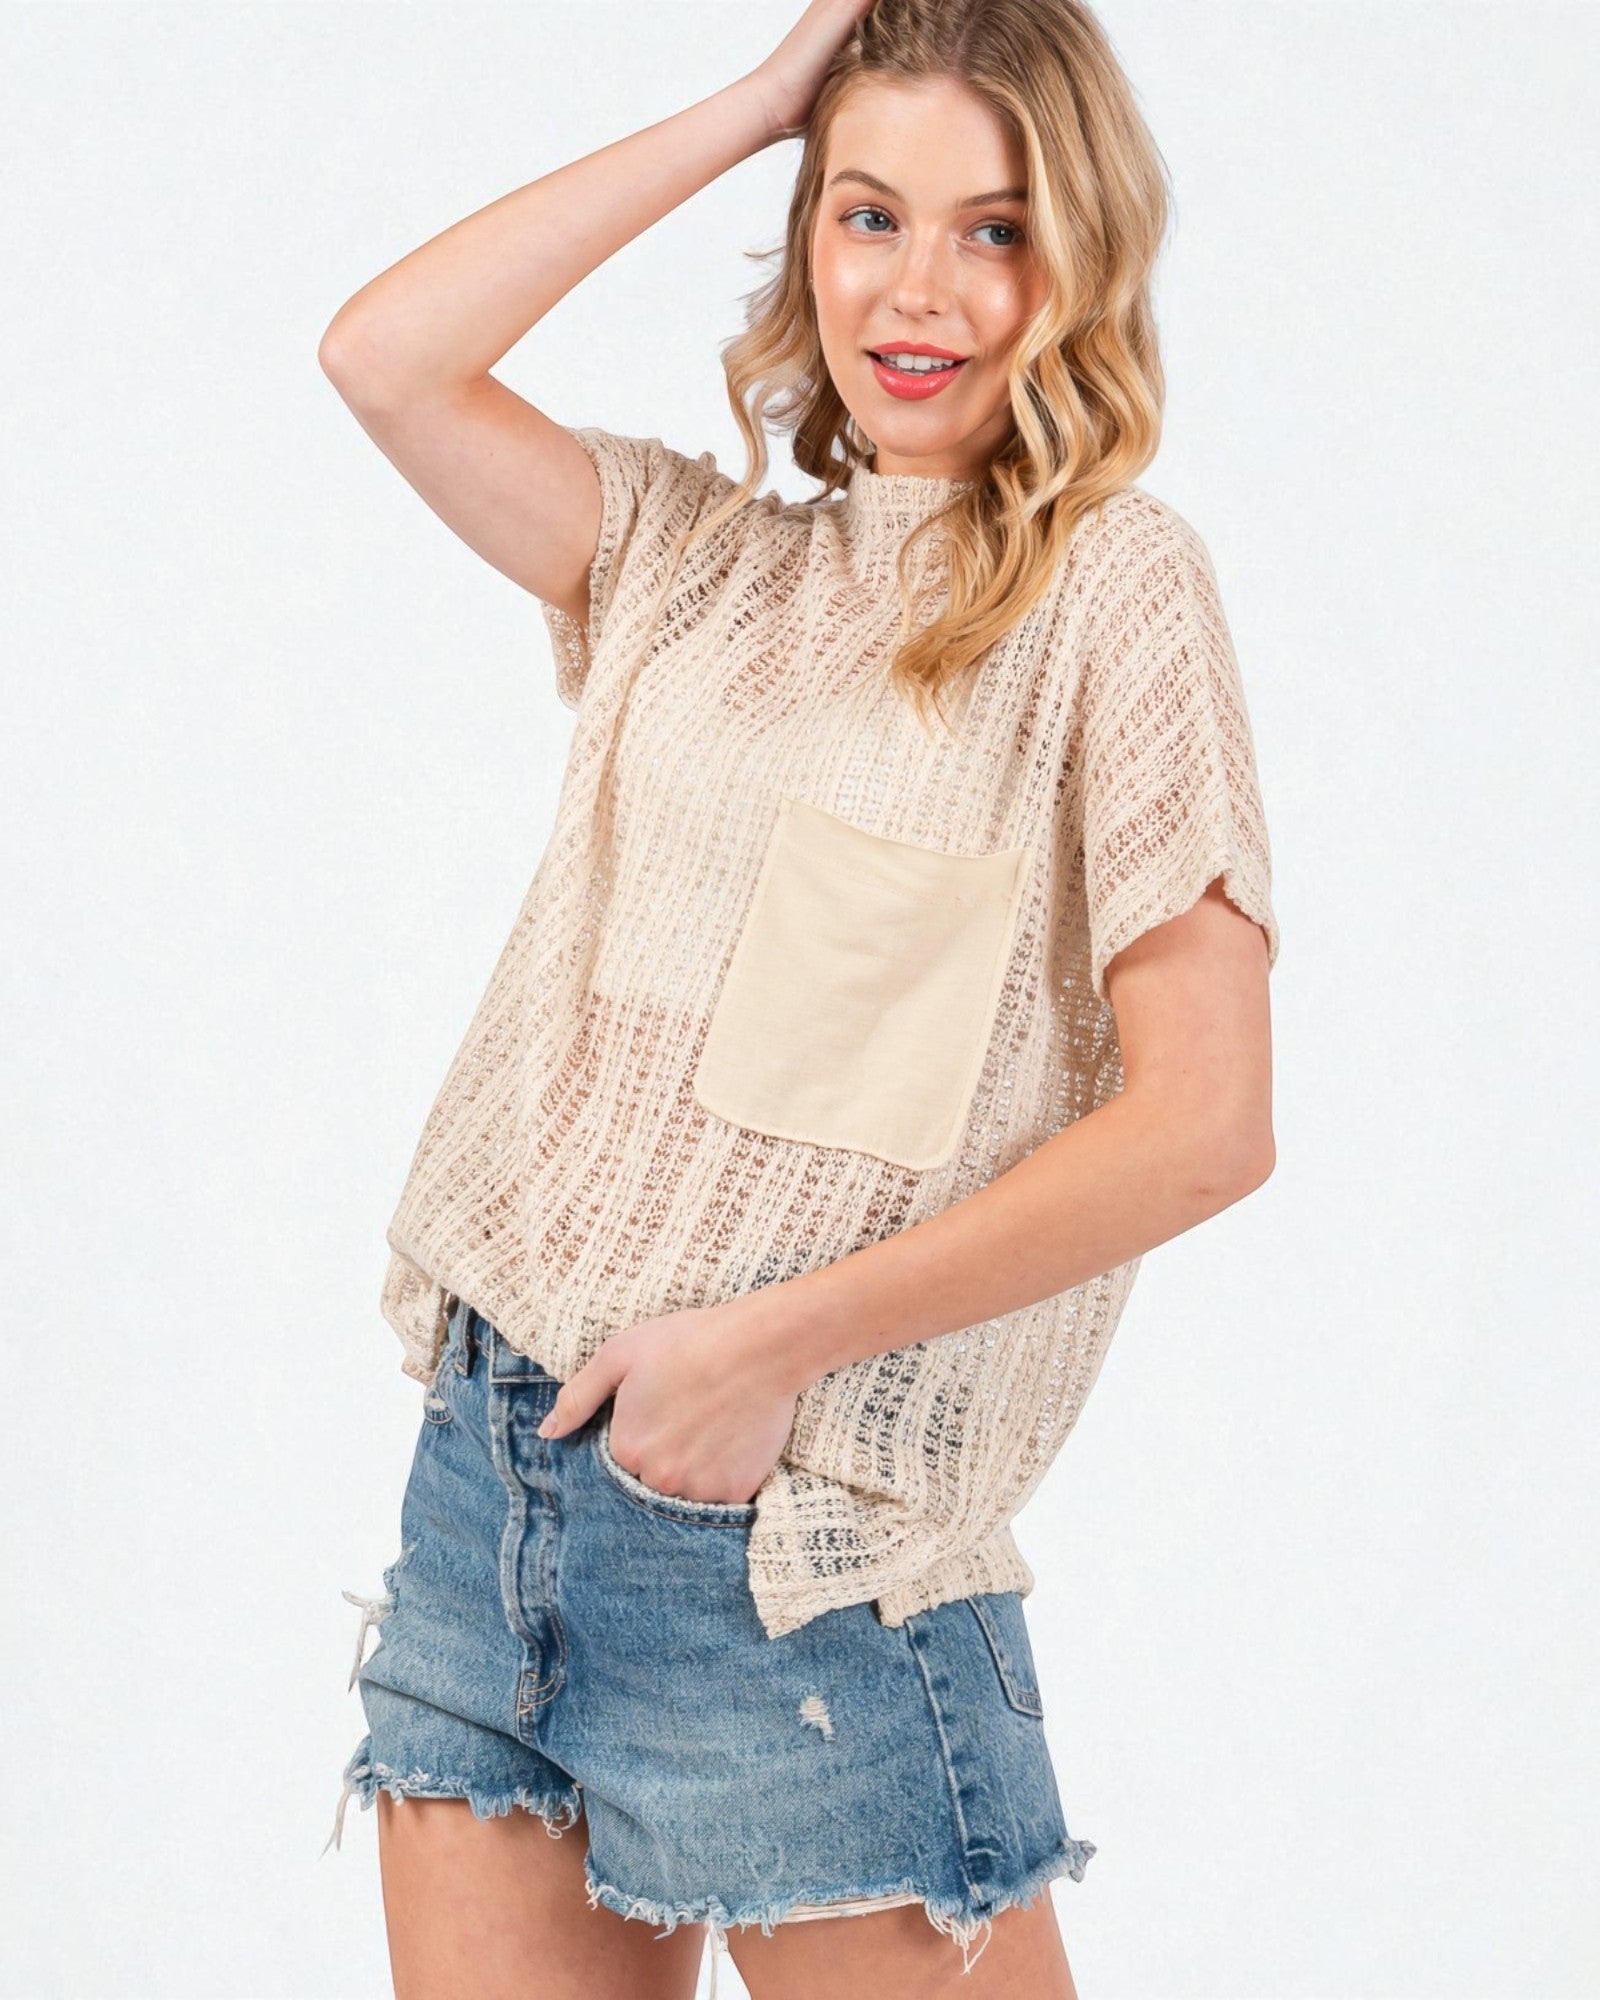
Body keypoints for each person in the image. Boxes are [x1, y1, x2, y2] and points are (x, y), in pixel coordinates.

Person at [317, 0, 1280, 1993]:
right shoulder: (689, 562)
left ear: (1076, 263)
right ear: (803, 241)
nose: (917, 288)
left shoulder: (1111, 596)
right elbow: (383, 357)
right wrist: (759, 103)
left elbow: (1203, 1121)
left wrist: (765, 1346)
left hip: (796, 1553)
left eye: (993, 231)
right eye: (866, 215)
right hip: (492, 1489)